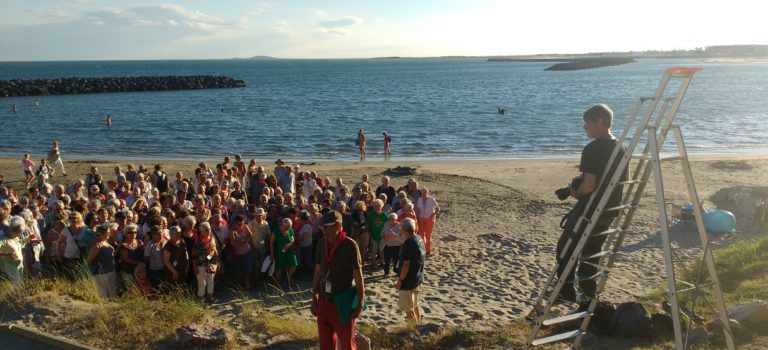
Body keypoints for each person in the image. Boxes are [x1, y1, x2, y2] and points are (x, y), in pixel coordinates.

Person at [556, 103, 627, 303]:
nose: (584, 128)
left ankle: (566, 291)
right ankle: (588, 293)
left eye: (586, 123)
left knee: (565, 248)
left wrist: (573, 191)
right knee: (592, 251)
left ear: (599, 122)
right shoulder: (620, 145)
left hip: (592, 208)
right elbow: (622, 178)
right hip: (611, 208)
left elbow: (588, 186)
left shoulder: (593, 148)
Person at [311, 210, 364, 350]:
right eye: (323, 227)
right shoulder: (321, 243)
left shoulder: (350, 245)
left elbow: (358, 276)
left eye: (328, 226)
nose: (325, 230)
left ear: (339, 226)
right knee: (325, 346)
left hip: (342, 303)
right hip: (323, 301)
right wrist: (313, 297)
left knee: (347, 345)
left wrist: (360, 303)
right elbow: (318, 272)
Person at [395, 218, 425, 323]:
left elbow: (406, 265)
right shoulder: (419, 238)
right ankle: (420, 324)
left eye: (401, 228)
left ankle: (413, 328)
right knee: (416, 305)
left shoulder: (409, 243)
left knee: (408, 308)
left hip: (408, 281)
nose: (400, 230)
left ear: (404, 229)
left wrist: (400, 281)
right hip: (418, 278)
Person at [87, 224, 118, 298]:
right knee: (102, 296)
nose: (109, 234)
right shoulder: (97, 246)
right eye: (108, 232)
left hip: (110, 272)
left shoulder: (107, 243)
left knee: (111, 296)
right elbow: (89, 261)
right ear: (102, 234)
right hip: (101, 275)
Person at [270, 218, 298, 288]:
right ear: (282, 225)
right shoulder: (276, 231)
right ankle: (277, 283)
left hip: (289, 250)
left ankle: (289, 279)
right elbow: (271, 242)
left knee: (293, 264)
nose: (287, 229)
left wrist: (289, 244)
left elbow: (292, 238)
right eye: (286, 227)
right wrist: (272, 254)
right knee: (279, 267)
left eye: (289, 227)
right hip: (279, 251)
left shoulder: (290, 229)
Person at [415, 187, 439, 255]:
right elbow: (418, 209)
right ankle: (423, 248)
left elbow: (438, 209)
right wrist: (417, 217)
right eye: (422, 193)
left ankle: (428, 249)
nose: (424, 194)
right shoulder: (419, 199)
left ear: (427, 193)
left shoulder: (431, 200)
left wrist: (433, 214)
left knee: (428, 235)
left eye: (425, 193)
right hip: (421, 218)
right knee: (421, 235)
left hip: (429, 219)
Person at [0, 216, 26, 281]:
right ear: (11, 230)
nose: (19, 235)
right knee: (14, 289)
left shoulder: (15, 237)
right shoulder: (2, 238)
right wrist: (7, 254)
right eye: (18, 232)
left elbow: (20, 244)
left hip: (19, 266)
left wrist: (28, 239)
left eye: (20, 232)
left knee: (19, 288)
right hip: (9, 269)